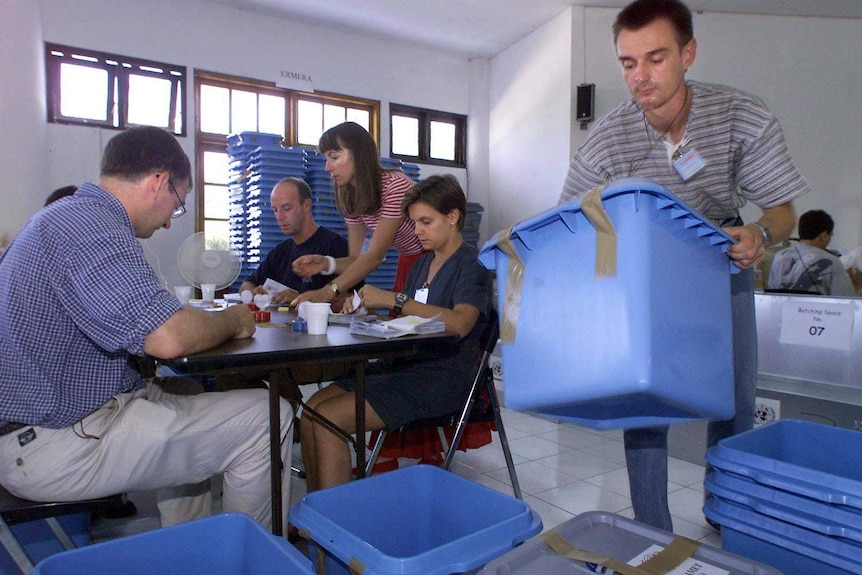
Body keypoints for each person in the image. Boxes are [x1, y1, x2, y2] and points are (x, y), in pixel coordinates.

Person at [559, 0, 809, 531]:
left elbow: (785, 211)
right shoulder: (607, 139)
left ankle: (726, 510)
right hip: (646, 273)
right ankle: (652, 528)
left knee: (735, 401)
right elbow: (571, 222)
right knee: (646, 402)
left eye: (656, 58)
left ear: (688, 53)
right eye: (628, 63)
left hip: (722, 260)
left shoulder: (741, 116)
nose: (641, 77)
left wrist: (761, 234)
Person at [0, 126, 293, 529]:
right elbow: (167, 337)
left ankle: (188, 549)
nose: (172, 223)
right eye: (177, 205)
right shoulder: (91, 228)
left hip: (51, 417)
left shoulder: (67, 218)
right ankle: (244, 558)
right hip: (52, 442)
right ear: (159, 182)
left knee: (185, 389)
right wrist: (234, 319)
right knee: (268, 416)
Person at [293, 122, 493, 467]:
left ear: (452, 217)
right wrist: (357, 303)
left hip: (434, 377)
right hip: (407, 366)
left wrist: (389, 299)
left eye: (424, 222)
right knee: (311, 410)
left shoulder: (470, 269)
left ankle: (340, 506)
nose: (415, 233)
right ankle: (320, 508)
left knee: (326, 419)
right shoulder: (418, 266)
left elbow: (458, 323)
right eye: (412, 223)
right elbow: (372, 275)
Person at [239, 177, 351, 305]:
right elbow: (246, 284)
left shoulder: (335, 246)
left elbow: (352, 300)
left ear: (306, 205)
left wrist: (299, 299)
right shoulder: (280, 252)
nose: (279, 217)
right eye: (275, 210)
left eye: (286, 208)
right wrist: (253, 292)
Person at [768, 210, 854, 296]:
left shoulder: (779, 256)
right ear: (823, 236)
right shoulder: (831, 262)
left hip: (782, 308)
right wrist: (856, 285)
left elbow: (771, 293)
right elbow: (845, 301)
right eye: (830, 236)